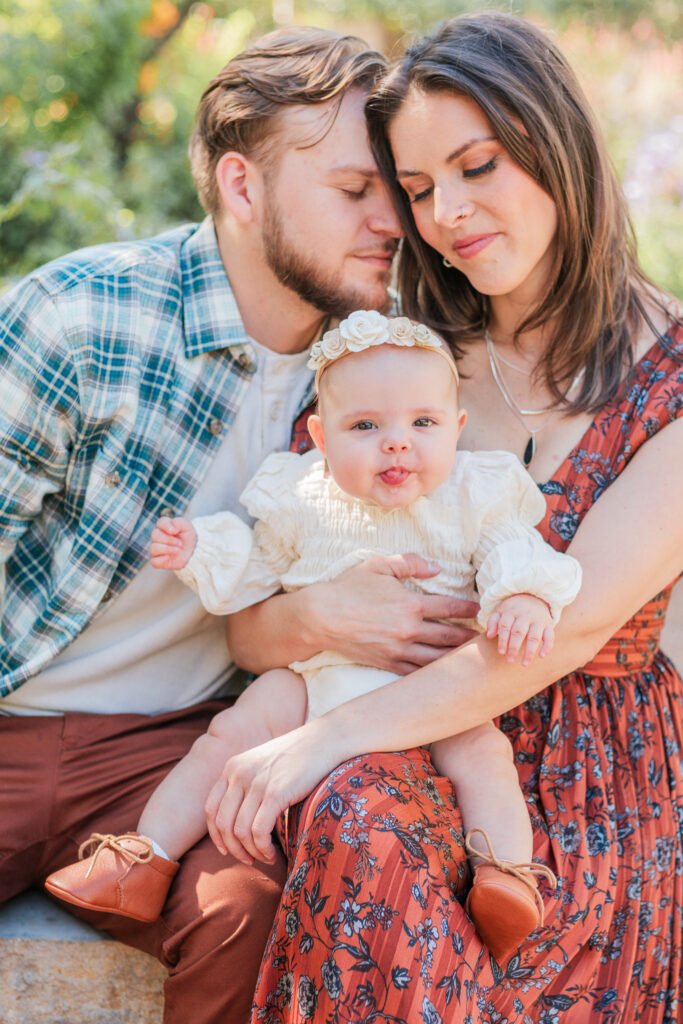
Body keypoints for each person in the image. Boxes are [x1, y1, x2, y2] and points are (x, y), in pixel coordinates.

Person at [189, 13, 682, 1022]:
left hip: (592, 786)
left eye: (476, 166)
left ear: (555, 145)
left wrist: (320, 740)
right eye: (416, 189)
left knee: (348, 786)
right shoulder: (393, 364)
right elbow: (253, 625)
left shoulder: (668, 377)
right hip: (393, 733)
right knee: (356, 807)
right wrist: (317, 620)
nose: (445, 214)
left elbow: (569, 628)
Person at [0, 26, 468, 1024]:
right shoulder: (82, 315)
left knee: (246, 906)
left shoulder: (384, 374)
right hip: (10, 716)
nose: (391, 219)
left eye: (395, 188)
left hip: (168, 749)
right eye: (354, 189)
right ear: (241, 186)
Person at [45, 310, 581, 959]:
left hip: (428, 688)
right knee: (230, 735)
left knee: (482, 753)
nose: (397, 444)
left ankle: (503, 876)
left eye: (423, 423)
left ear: (456, 427)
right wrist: (200, 549)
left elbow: (509, 549)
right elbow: (258, 563)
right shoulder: (301, 493)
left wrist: (522, 596)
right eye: (365, 426)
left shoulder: (474, 492)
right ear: (321, 437)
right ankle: (142, 859)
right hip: (315, 675)